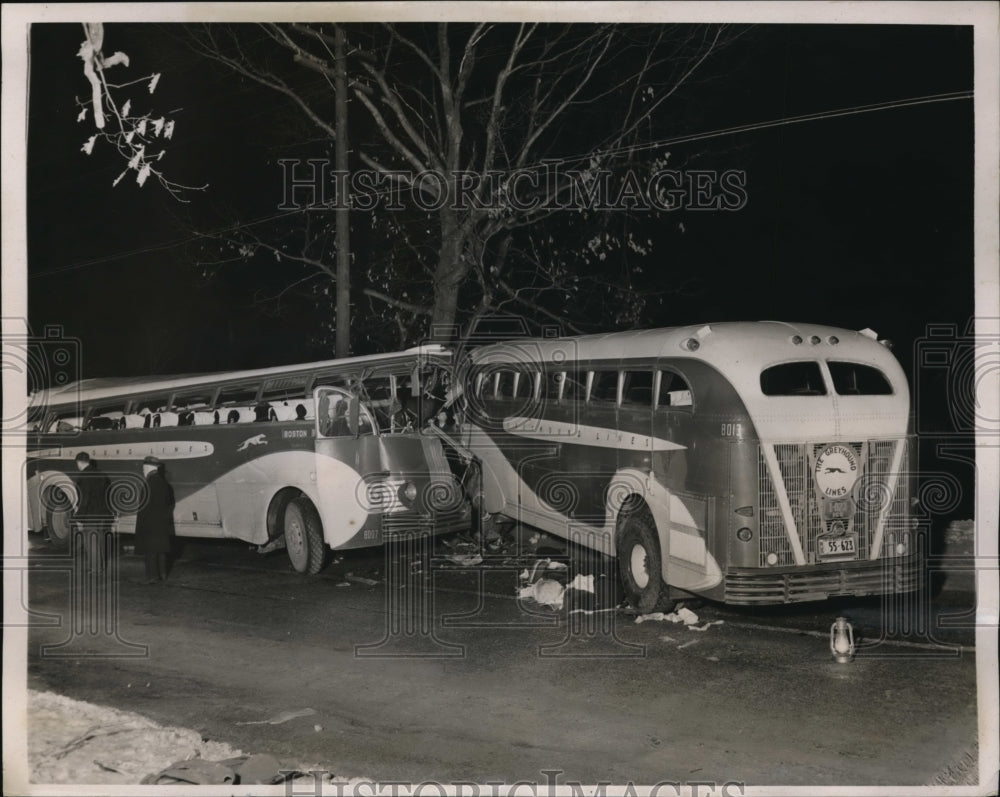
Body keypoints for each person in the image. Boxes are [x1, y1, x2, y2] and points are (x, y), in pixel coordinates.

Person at [135, 455, 174, 584]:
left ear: (147, 467)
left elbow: (143, 507)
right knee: (161, 550)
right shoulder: (165, 484)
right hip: (162, 522)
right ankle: (163, 574)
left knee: (150, 551)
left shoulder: (148, 484)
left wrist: (141, 524)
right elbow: (169, 503)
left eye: (143, 468)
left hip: (150, 523)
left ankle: (152, 577)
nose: (142, 471)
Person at [71, 452, 113, 573]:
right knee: (100, 540)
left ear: (79, 462)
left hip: (91, 514)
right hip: (103, 514)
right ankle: (101, 566)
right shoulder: (102, 475)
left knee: (91, 542)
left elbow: (85, 499)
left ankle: (95, 568)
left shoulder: (84, 477)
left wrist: (79, 518)